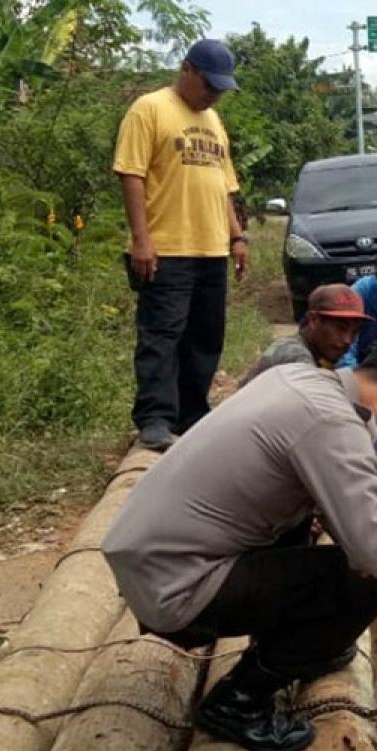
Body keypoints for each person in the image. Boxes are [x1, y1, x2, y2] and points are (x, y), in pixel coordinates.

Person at [102, 343, 377, 751]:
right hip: (175, 583)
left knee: (326, 534)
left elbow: (351, 513)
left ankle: (288, 642)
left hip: (152, 558)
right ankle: (240, 701)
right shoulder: (331, 423)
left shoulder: (299, 382)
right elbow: (373, 549)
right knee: (362, 582)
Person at [114, 39, 249, 451]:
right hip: (167, 246)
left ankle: (192, 414)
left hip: (211, 248)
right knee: (162, 335)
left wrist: (237, 236)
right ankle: (155, 417)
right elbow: (131, 175)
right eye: (210, 86)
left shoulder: (213, 122)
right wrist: (142, 241)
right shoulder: (149, 109)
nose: (214, 96)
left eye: (221, 90)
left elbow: (224, 186)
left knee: (206, 336)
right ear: (187, 70)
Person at [240, 284, 370, 386]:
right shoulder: (296, 357)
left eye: (354, 332)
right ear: (314, 320)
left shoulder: (315, 355)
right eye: (340, 329)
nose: (348, 340)